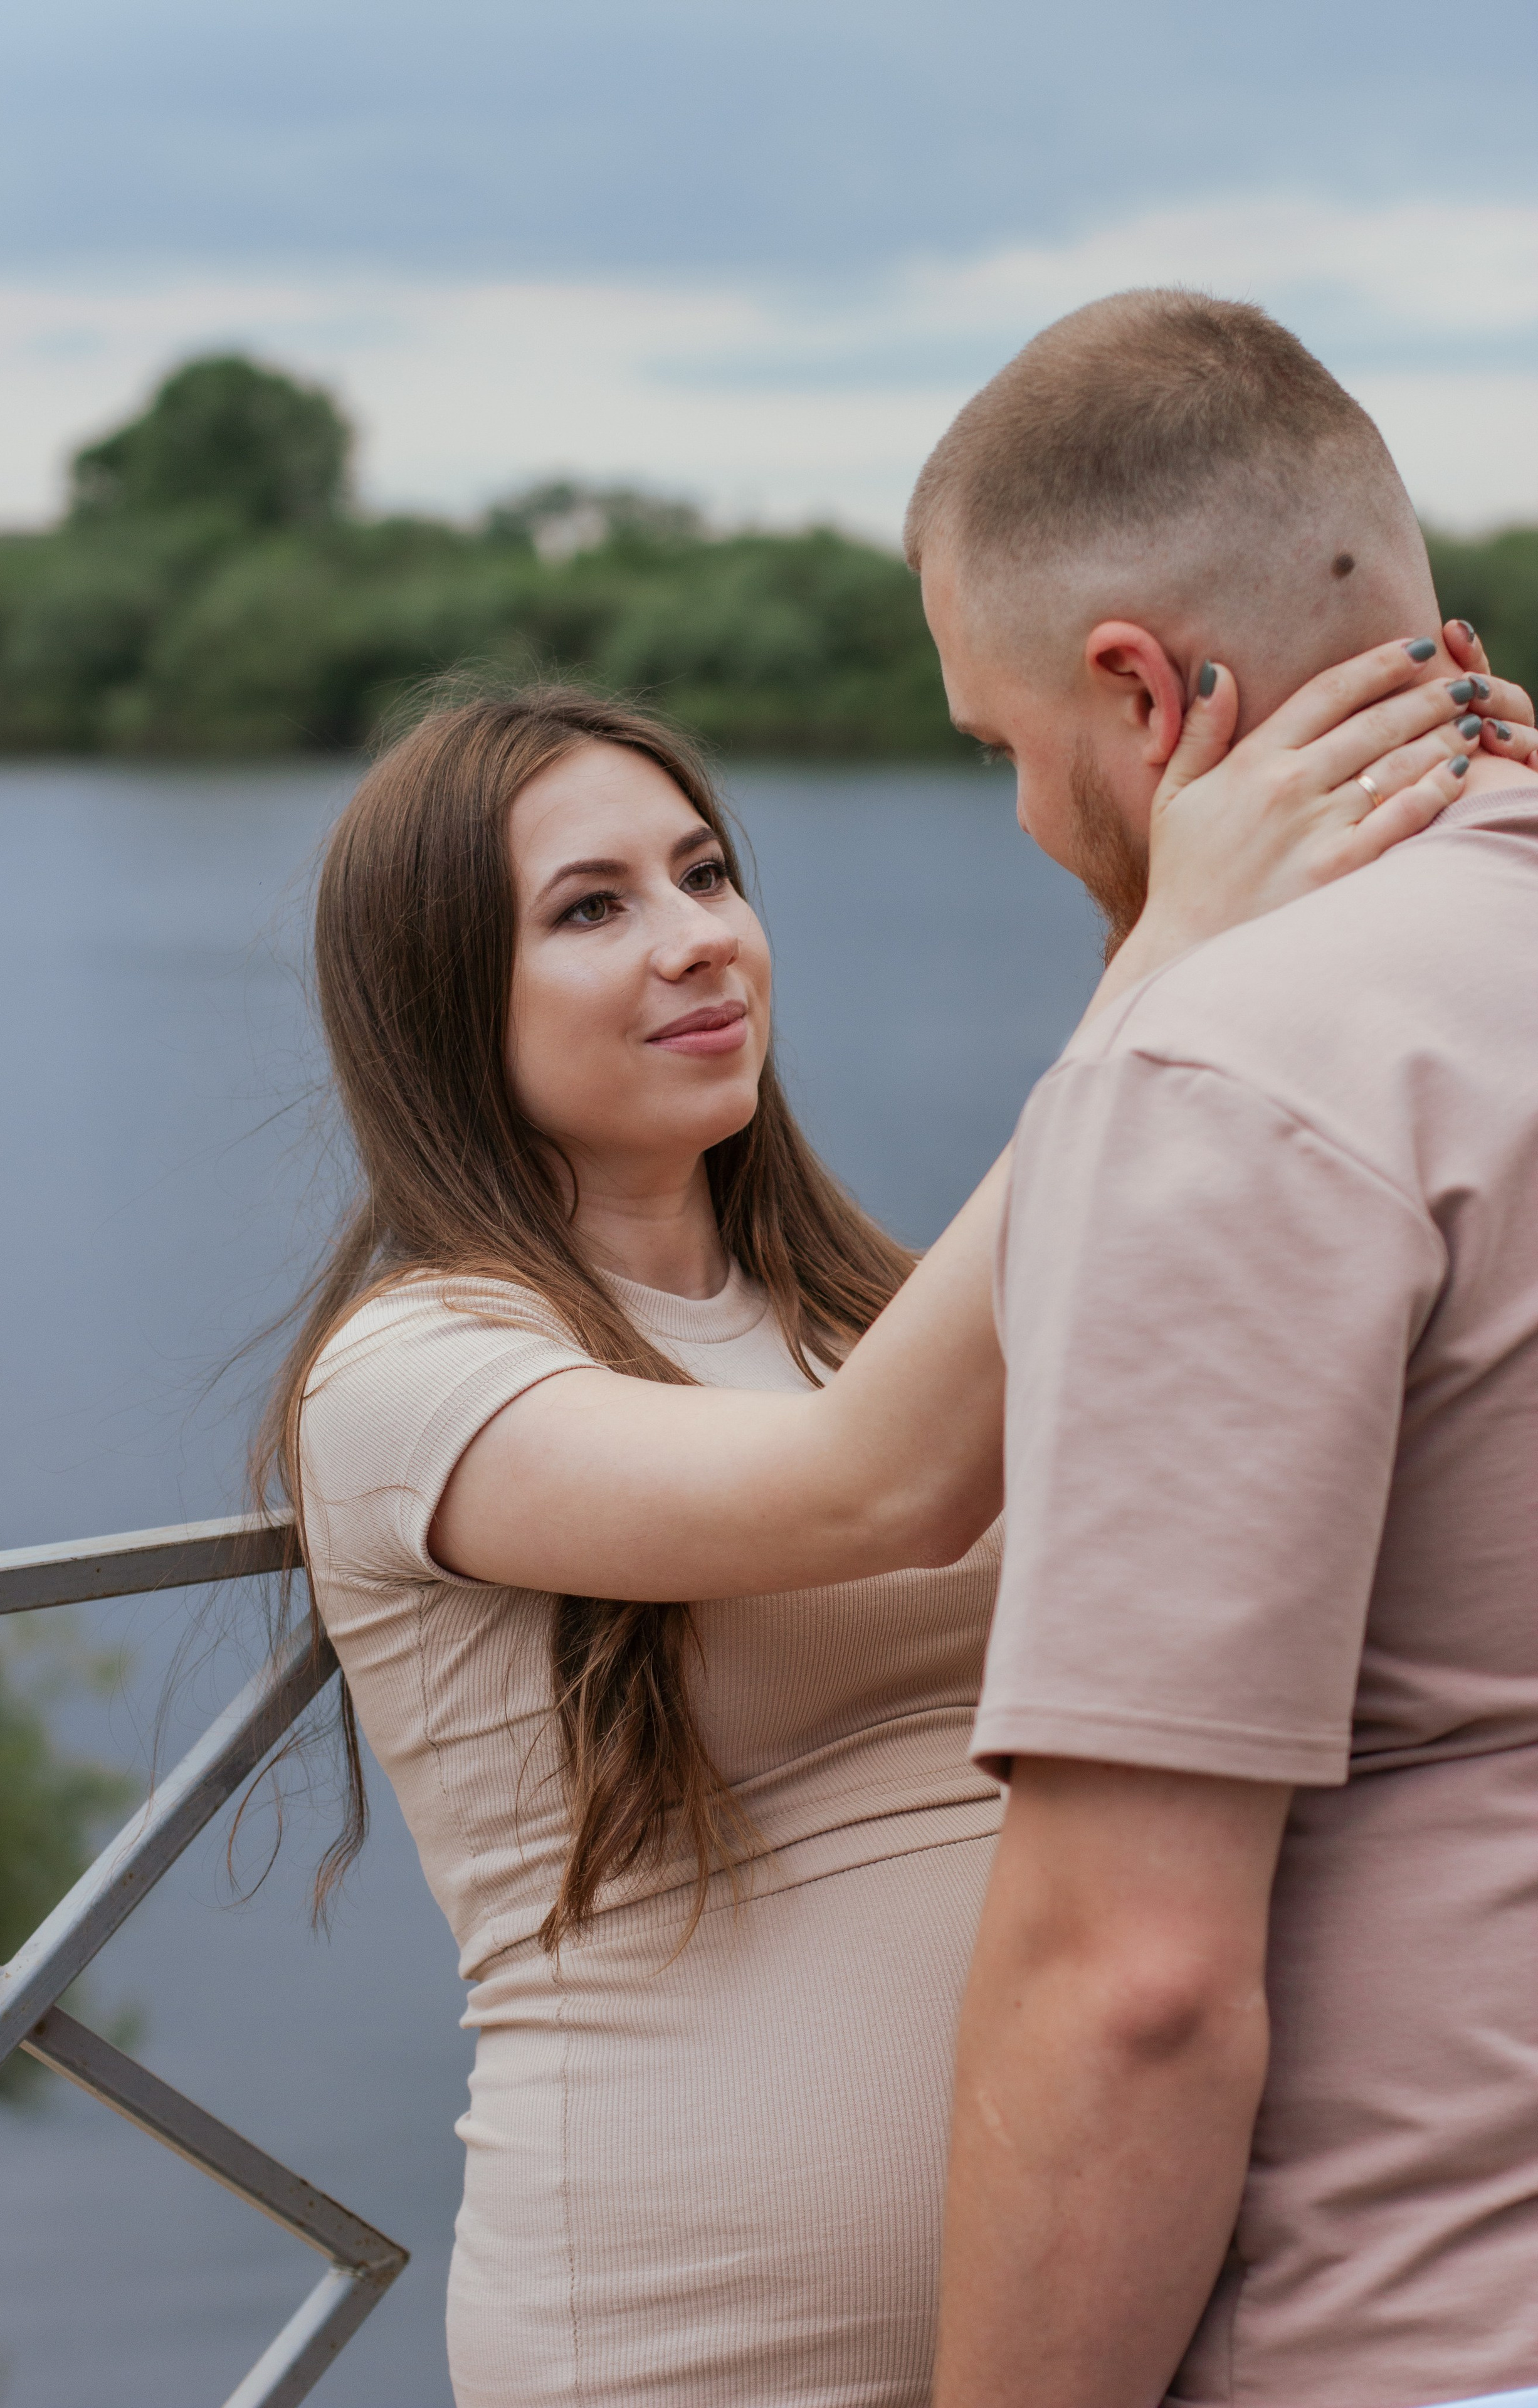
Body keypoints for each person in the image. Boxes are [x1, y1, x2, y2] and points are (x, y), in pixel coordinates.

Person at [271, 649, 1508, 2408]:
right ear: (439, 997)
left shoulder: (876, 1314)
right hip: (682, 2340)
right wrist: (1169, 974)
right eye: (591, 909)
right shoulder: (415, 1372)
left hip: (1084, 2323)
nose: (695, 937)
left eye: (707, 875)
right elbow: (875, 1489)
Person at [907, 290, 1538, 2408]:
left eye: (1006, 747)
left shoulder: (1232, 1074)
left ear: (1146, 690)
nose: (1017, 822)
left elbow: (1136, 1984)